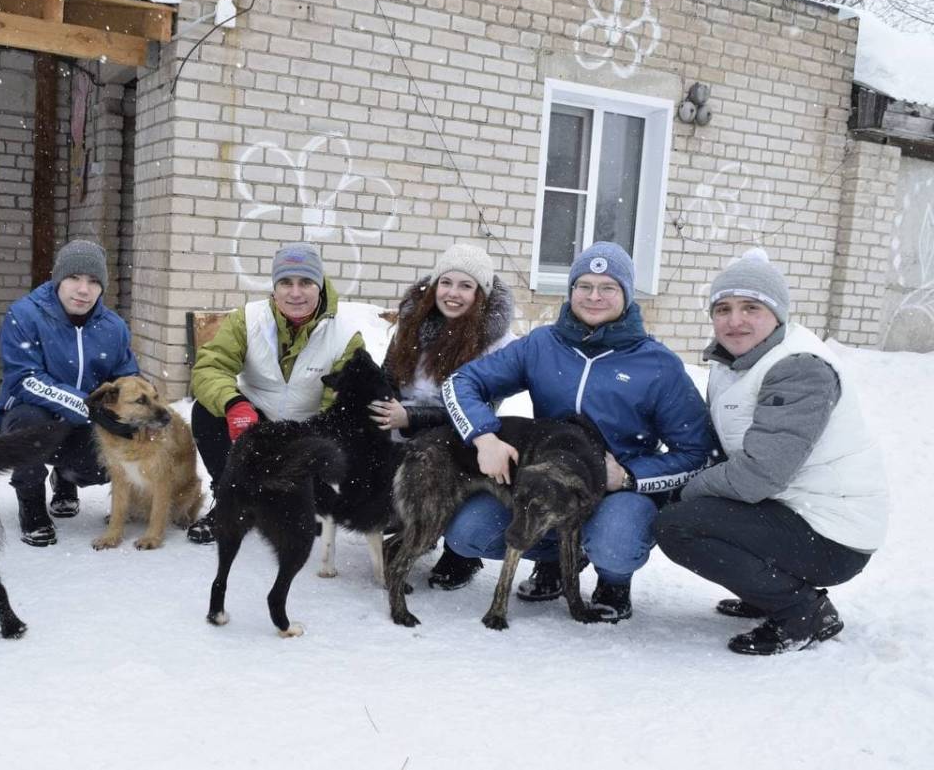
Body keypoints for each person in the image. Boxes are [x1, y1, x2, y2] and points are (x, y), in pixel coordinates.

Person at [440, 241, 717, 621]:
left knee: (615, 542)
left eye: (608, 287)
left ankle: (613, 581)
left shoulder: (658, 365)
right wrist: (483, 436)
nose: (594, 296)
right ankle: (555, 559)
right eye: (584, 286)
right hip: (544, 480)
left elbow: (698, 453)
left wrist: (631, 477)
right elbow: (462, 382)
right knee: (467, 533)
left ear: (627, 294)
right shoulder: (541, 345)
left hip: (615, 491)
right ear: (570, 292)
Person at [655, 249, 888, 655]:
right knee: (692, 513)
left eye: (751, 307)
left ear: (777, 314)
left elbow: (759, 474)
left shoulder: (800, 368)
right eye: (723, 308)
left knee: (678, 525)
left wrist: (688, 488)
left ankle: (803, 612)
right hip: (795, 512)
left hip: (833, 534)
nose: (734, 320)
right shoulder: (739, 361)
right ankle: (768, 592)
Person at [186, 242, 365, 544]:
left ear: (319, 286)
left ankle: (282, 500)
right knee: (205, 412)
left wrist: (308, 446)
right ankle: (231, 499)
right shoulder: (248, 319)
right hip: (254, 422)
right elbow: (209, 369)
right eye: (286, 282)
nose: (295, 293)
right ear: (274, 287)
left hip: (307, 431)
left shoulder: (345, 335)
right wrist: (234, 404)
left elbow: (342, 406)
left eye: (306, 282)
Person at [369, 243, 516, 590]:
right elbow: (387, 375)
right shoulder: (414, 320)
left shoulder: (498, 343)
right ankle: (412, 527)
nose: (453, 294)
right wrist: (384, 405)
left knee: (436, 469)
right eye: (446, 283)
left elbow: (477, 413)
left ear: (481, 293)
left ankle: (460, 551)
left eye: (466, 286)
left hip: (458, 438)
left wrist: (412, 418)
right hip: (401, 424)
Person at [0, 239, 140, 547]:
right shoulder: (25, 315)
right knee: (28, 423)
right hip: (32, 415)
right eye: (74, 278)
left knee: (102, 467)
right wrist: (90, 408)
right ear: (58, 278)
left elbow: (127, 377)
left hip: (83, 425)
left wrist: (135, 412)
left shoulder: (114, 327)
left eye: (94, 281)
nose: (83, 290)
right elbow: (25, 379)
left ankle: (66, 478)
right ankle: (31, 504)